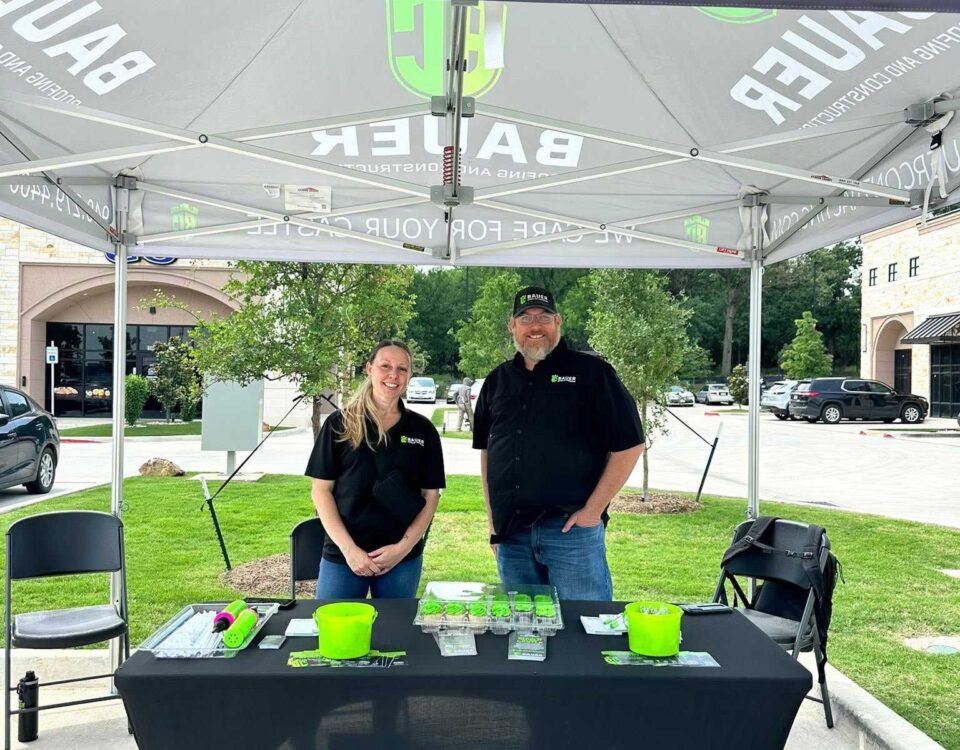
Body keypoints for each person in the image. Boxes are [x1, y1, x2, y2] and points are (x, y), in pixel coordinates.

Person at [472, 286, 645, 600]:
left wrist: (593, 510)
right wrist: (493, 523)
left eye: (544, 317)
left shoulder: (593, 374)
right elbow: (488, 454)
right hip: (512, 536)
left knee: (584, 630)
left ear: (558, 322)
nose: (535, 326)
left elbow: (631, 444)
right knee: (524, 633)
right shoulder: (496, 381)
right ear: (512, 325)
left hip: (571, 534)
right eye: (526, 318)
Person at [305, 340, 445, 599]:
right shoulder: (340, 424)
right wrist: (349, 550)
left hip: (401, 559)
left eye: (402, 369)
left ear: (410, 376)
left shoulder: (422, 431)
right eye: (385, 366)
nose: (394, 375)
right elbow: (320, 491)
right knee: (338, 635)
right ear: (369, 369)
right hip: (344, 557)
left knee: (395, 636)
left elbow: (431, 496)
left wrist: (402, 549)